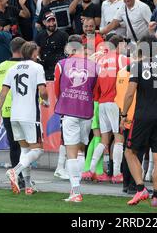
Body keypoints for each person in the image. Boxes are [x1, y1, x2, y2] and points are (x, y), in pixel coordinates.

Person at [121, 34, 157, 207]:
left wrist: (124, 115)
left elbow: (130, 93)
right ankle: (156, 197)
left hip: (142, 116)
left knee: (129, 152)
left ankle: (140, 188)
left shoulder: (138, 67)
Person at [0, 41, 49, 195]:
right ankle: (15, 171)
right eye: (36, 52)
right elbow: (43, 90)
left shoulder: (12, 68)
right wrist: (46, 100)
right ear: (33, 53)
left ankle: (28, 186)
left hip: (14, 115)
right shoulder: (37, 67)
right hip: (30, 115)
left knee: (25, 150)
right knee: (37, 150)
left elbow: (3, 92)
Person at [54, 35, 98, 202]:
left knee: (71, 152)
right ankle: (76, 189)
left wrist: (64, 101)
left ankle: (76, 191)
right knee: (80, 150)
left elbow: (57, 88)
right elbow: (95, 89)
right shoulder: (94, 66)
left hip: (69, 110)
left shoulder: (61, 64)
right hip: (86, 110)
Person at [84, 36, 128, 183]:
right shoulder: (121, 59)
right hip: (115, 102)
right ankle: (116, 173)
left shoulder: (99, 60)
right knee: (119, 138)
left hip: (101, 102)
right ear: (119, 45)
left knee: (104, 139)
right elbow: (138, 65)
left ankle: (90, 170)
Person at [0, 37, 26, 189]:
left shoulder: (2, 66)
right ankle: (23, 176)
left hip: (8, 111)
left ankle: (18, 176)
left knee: (14, 146)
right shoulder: (27, 66)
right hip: (25, 111)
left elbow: (1, 88)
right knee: (27, 147)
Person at [34, 11, 69, 81]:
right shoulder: (40, 35)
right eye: (49, 22)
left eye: (53, 21)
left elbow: (67, 53)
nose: (52, 24)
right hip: (45, 69)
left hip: (59, 69)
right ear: (44, 22)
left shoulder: (63, 35)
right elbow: (37, 52)